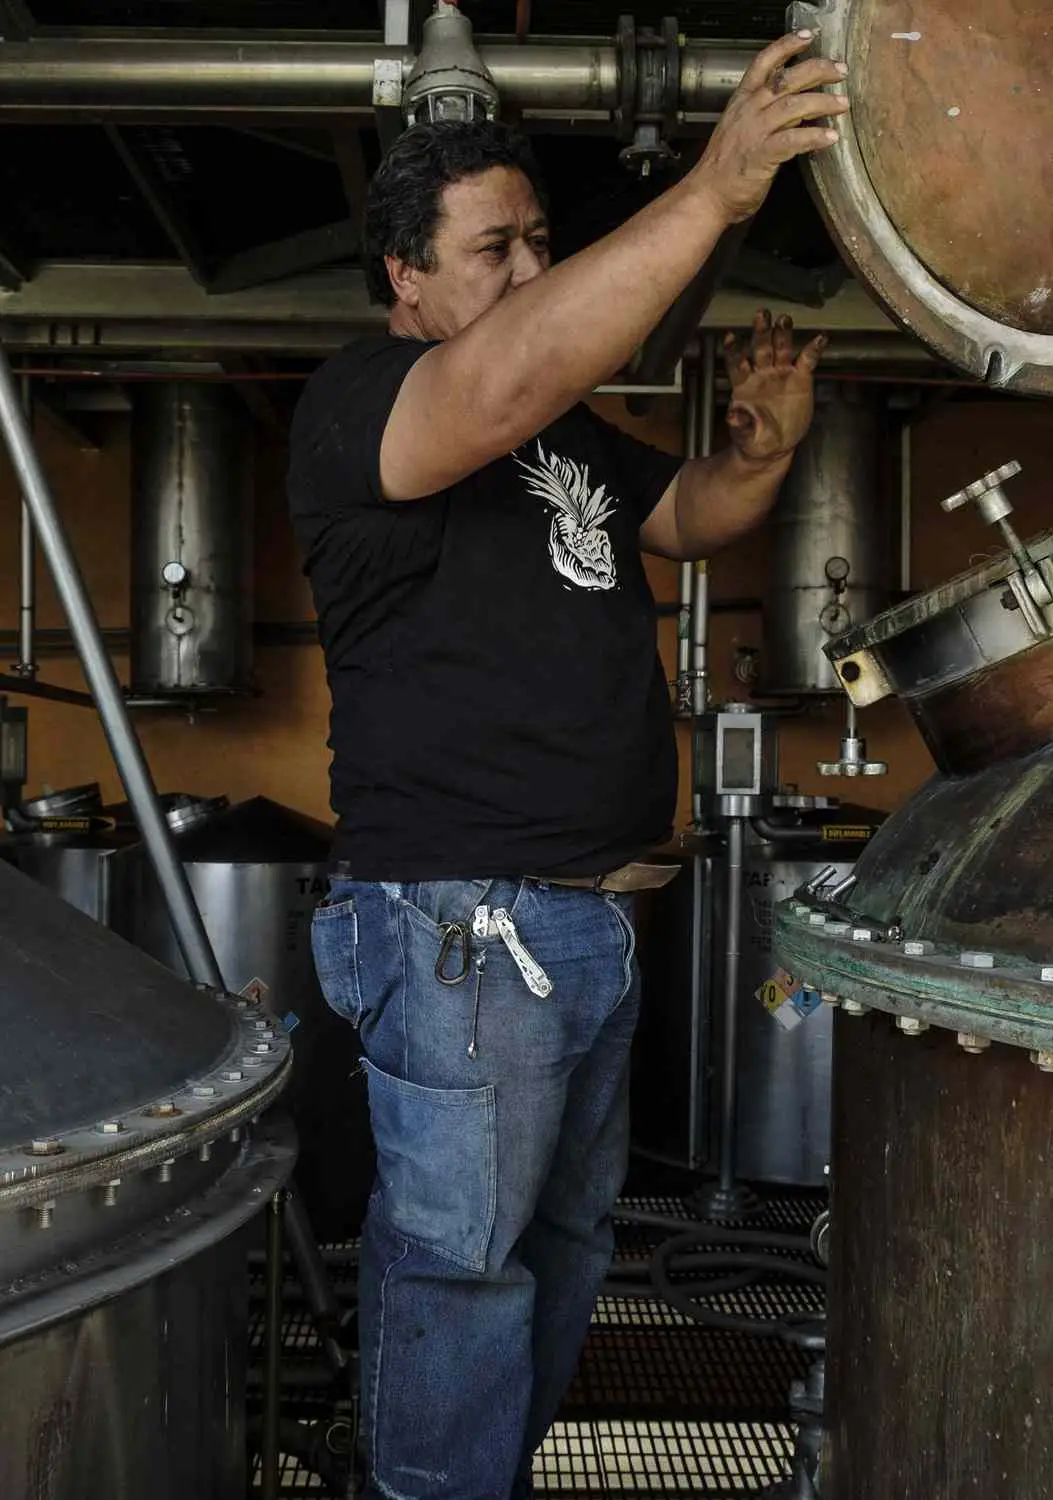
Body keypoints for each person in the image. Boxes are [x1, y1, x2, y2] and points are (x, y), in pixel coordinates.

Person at [287, 29, 849, 1500]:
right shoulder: (364, 402)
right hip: (462, 924)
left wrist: (764, 453)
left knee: (561, 1252)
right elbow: (503, 378)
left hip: (583, 918)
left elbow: (687, 519)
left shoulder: (569, 438)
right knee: (463, 1264)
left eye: (541, 241)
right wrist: (716, 189)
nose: (531, 269)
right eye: (495, 249)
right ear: (405, 277)